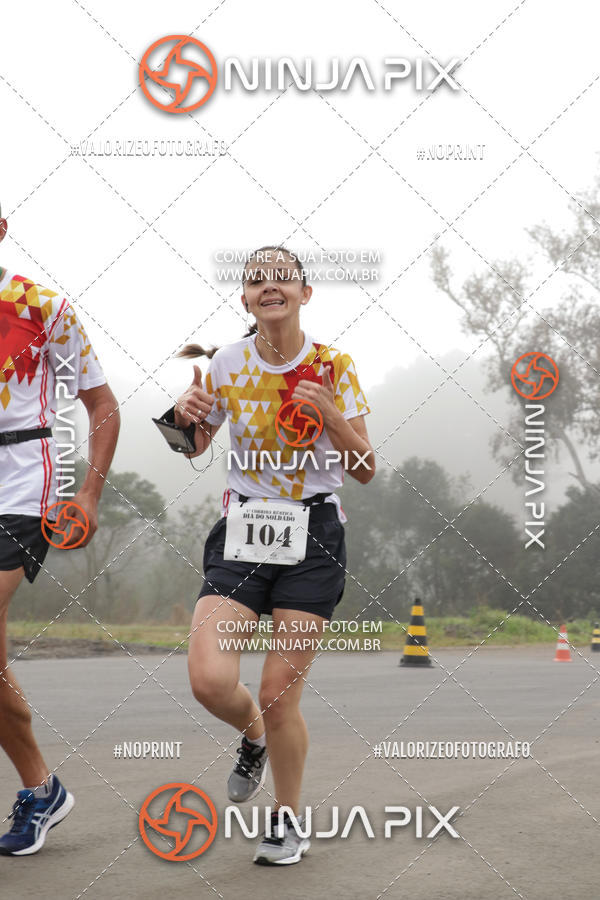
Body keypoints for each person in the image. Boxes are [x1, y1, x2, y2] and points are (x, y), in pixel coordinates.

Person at [169, 245, 374, 865]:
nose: (268, 286)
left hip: (313, 536)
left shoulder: (335, 364)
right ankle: (251, 737)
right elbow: (193, 445)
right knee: (209, 680)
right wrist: (185, 418)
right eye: (255, 280)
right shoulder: (226, 363)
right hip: (244, 528)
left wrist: (332, 415)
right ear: (245, 300)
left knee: (281, 690)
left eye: (281, 278)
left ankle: (286, 821)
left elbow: (363, 468)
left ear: (304, 293)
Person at [0, 204, 120, 855]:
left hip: (24, 484)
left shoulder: (41, 307)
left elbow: (101, 405)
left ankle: (40, 791)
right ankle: (41, 789)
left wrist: (91, 494)